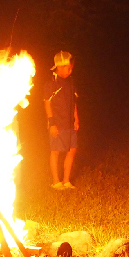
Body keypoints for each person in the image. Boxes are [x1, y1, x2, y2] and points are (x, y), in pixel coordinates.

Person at [44, 51, 79, 190]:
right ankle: (56, 181)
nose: (70, 70)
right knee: (56, 151)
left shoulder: (71, 82)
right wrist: (52, 123)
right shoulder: (51, 84)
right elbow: (47, 103)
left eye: (71, 67)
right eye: (67, 67)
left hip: (70, 123)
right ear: (58, 67)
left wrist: (76, 119)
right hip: (57, 123)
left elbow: (74, 102)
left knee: (72, 150)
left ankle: (66, 180)